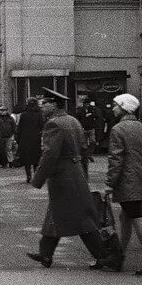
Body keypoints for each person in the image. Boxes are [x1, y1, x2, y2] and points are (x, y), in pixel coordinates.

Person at [27, 89, 120, 269]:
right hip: (75, 172)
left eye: (45, 103)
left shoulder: (53, 124)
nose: (42, 107)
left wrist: (38, 179)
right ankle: (45, 254)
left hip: (62, 176)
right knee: (57, 213)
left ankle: (104, 256)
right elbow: (86, 146)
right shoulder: (73, 121)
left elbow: (50, 154)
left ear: (54, 105)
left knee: (81, 217)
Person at [105, 93, 142, 275]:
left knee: (135, 217)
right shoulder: (140, 126)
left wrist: (110, 183)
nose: (113, 108)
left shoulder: (118, 129)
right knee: (125, 217)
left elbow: (116, 159)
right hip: (138, 179)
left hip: (128, 182)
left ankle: (118, 256)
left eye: (115, 105)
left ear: (124, 108)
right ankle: (118, 256)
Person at [16, 97, 46, 183]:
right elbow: (42, 126)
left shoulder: (24, 115)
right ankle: (36, 175)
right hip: (36, 139)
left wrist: (18, 139)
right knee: (36, 158)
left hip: (25, 139)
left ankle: (28, 176)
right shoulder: (39, 114)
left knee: (27, 160)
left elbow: (20, 128)